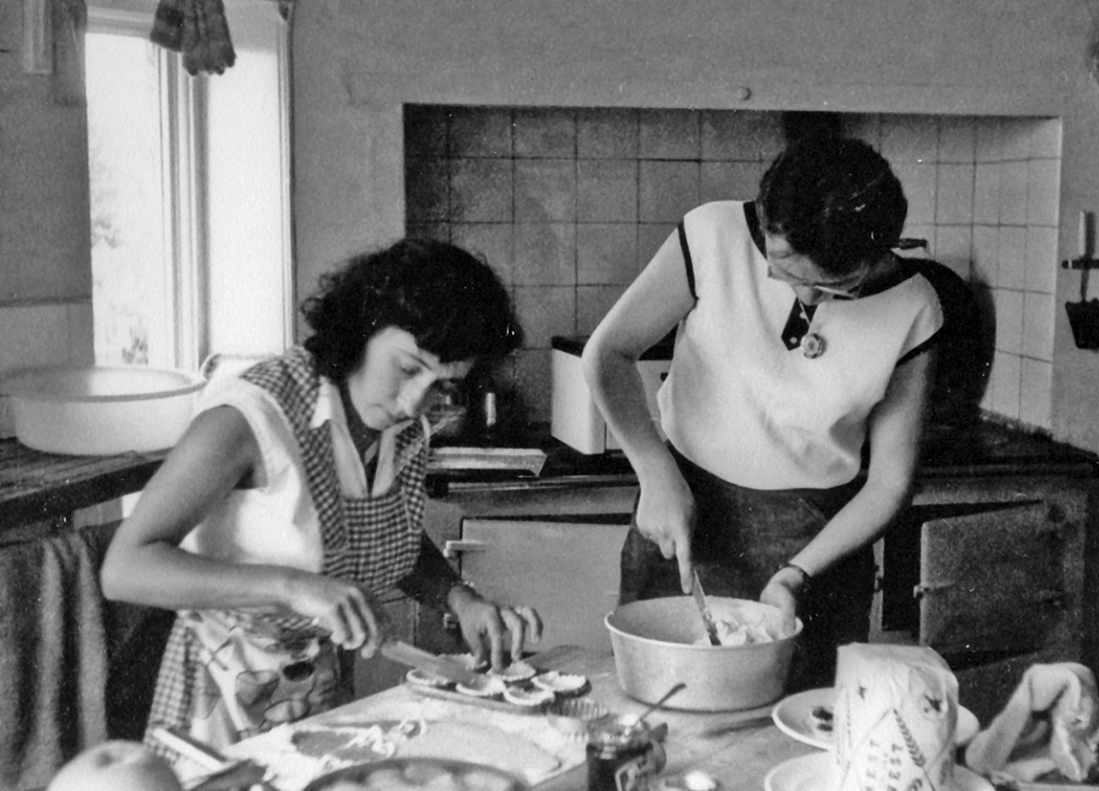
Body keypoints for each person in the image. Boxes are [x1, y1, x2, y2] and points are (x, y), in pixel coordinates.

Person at [100, 238, 542, 760]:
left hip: (317, 700)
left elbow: (384, 536)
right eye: (407, 369)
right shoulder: (253, 416)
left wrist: (460, 599)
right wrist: (293, 587)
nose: (414, 402)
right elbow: (124, 568)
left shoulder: (402, 429)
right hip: (216, 701)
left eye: (444, 385)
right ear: (363, 327)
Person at [581, 137, 944, 688]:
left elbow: (889, 485)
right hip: (686, 510)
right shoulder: (713, 234)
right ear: (766, 223)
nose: (808, 298)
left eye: (836, 285)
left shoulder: (915, 306)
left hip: (818, 542)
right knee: (662, 716)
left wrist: (796, 573)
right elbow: (608, 354)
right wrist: (656, 475)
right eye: (786, 271)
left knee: (797, 725)